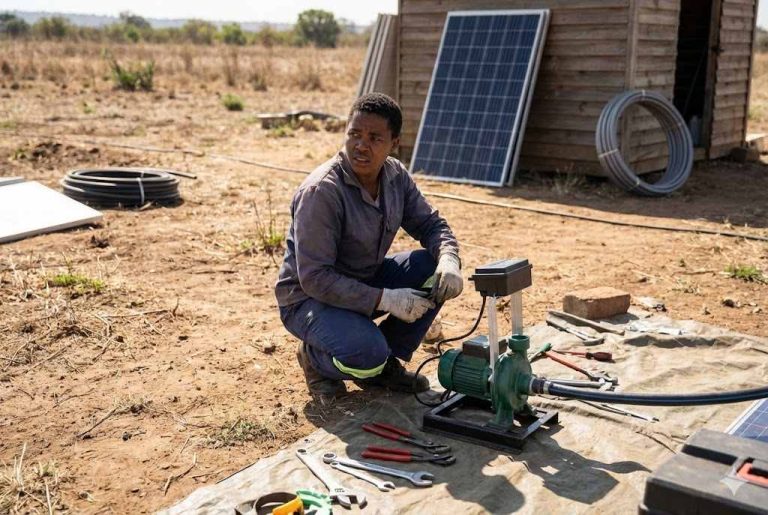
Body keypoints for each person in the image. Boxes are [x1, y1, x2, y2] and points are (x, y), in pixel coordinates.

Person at [275, 92, 462, 401]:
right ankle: (317, 360)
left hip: (361, 282)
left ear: (394, 144)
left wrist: (449, 259)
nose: (361, 145)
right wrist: (386, 299)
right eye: (355, 134)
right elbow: (315, 278)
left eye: (375, 138)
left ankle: (386, 365)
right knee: (367, 353)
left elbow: (430, 225)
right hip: (308, 300)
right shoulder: (321, 192)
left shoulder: (394, 176)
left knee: (431, 269)